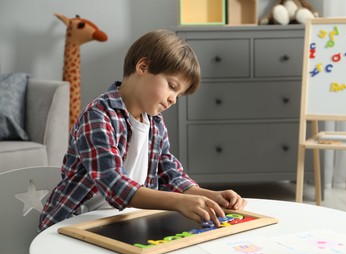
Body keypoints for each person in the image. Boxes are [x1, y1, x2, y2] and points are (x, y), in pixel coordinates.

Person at [38, 30, 247, 232]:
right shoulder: (98, 115)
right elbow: (114, 184)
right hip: (74, 222)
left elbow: (168, 173)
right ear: (143, 66)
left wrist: (209, 195)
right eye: (172, 86)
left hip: (124, 220)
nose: (174, 99)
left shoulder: (154, 122)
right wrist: (178, 202)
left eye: (179, 94)